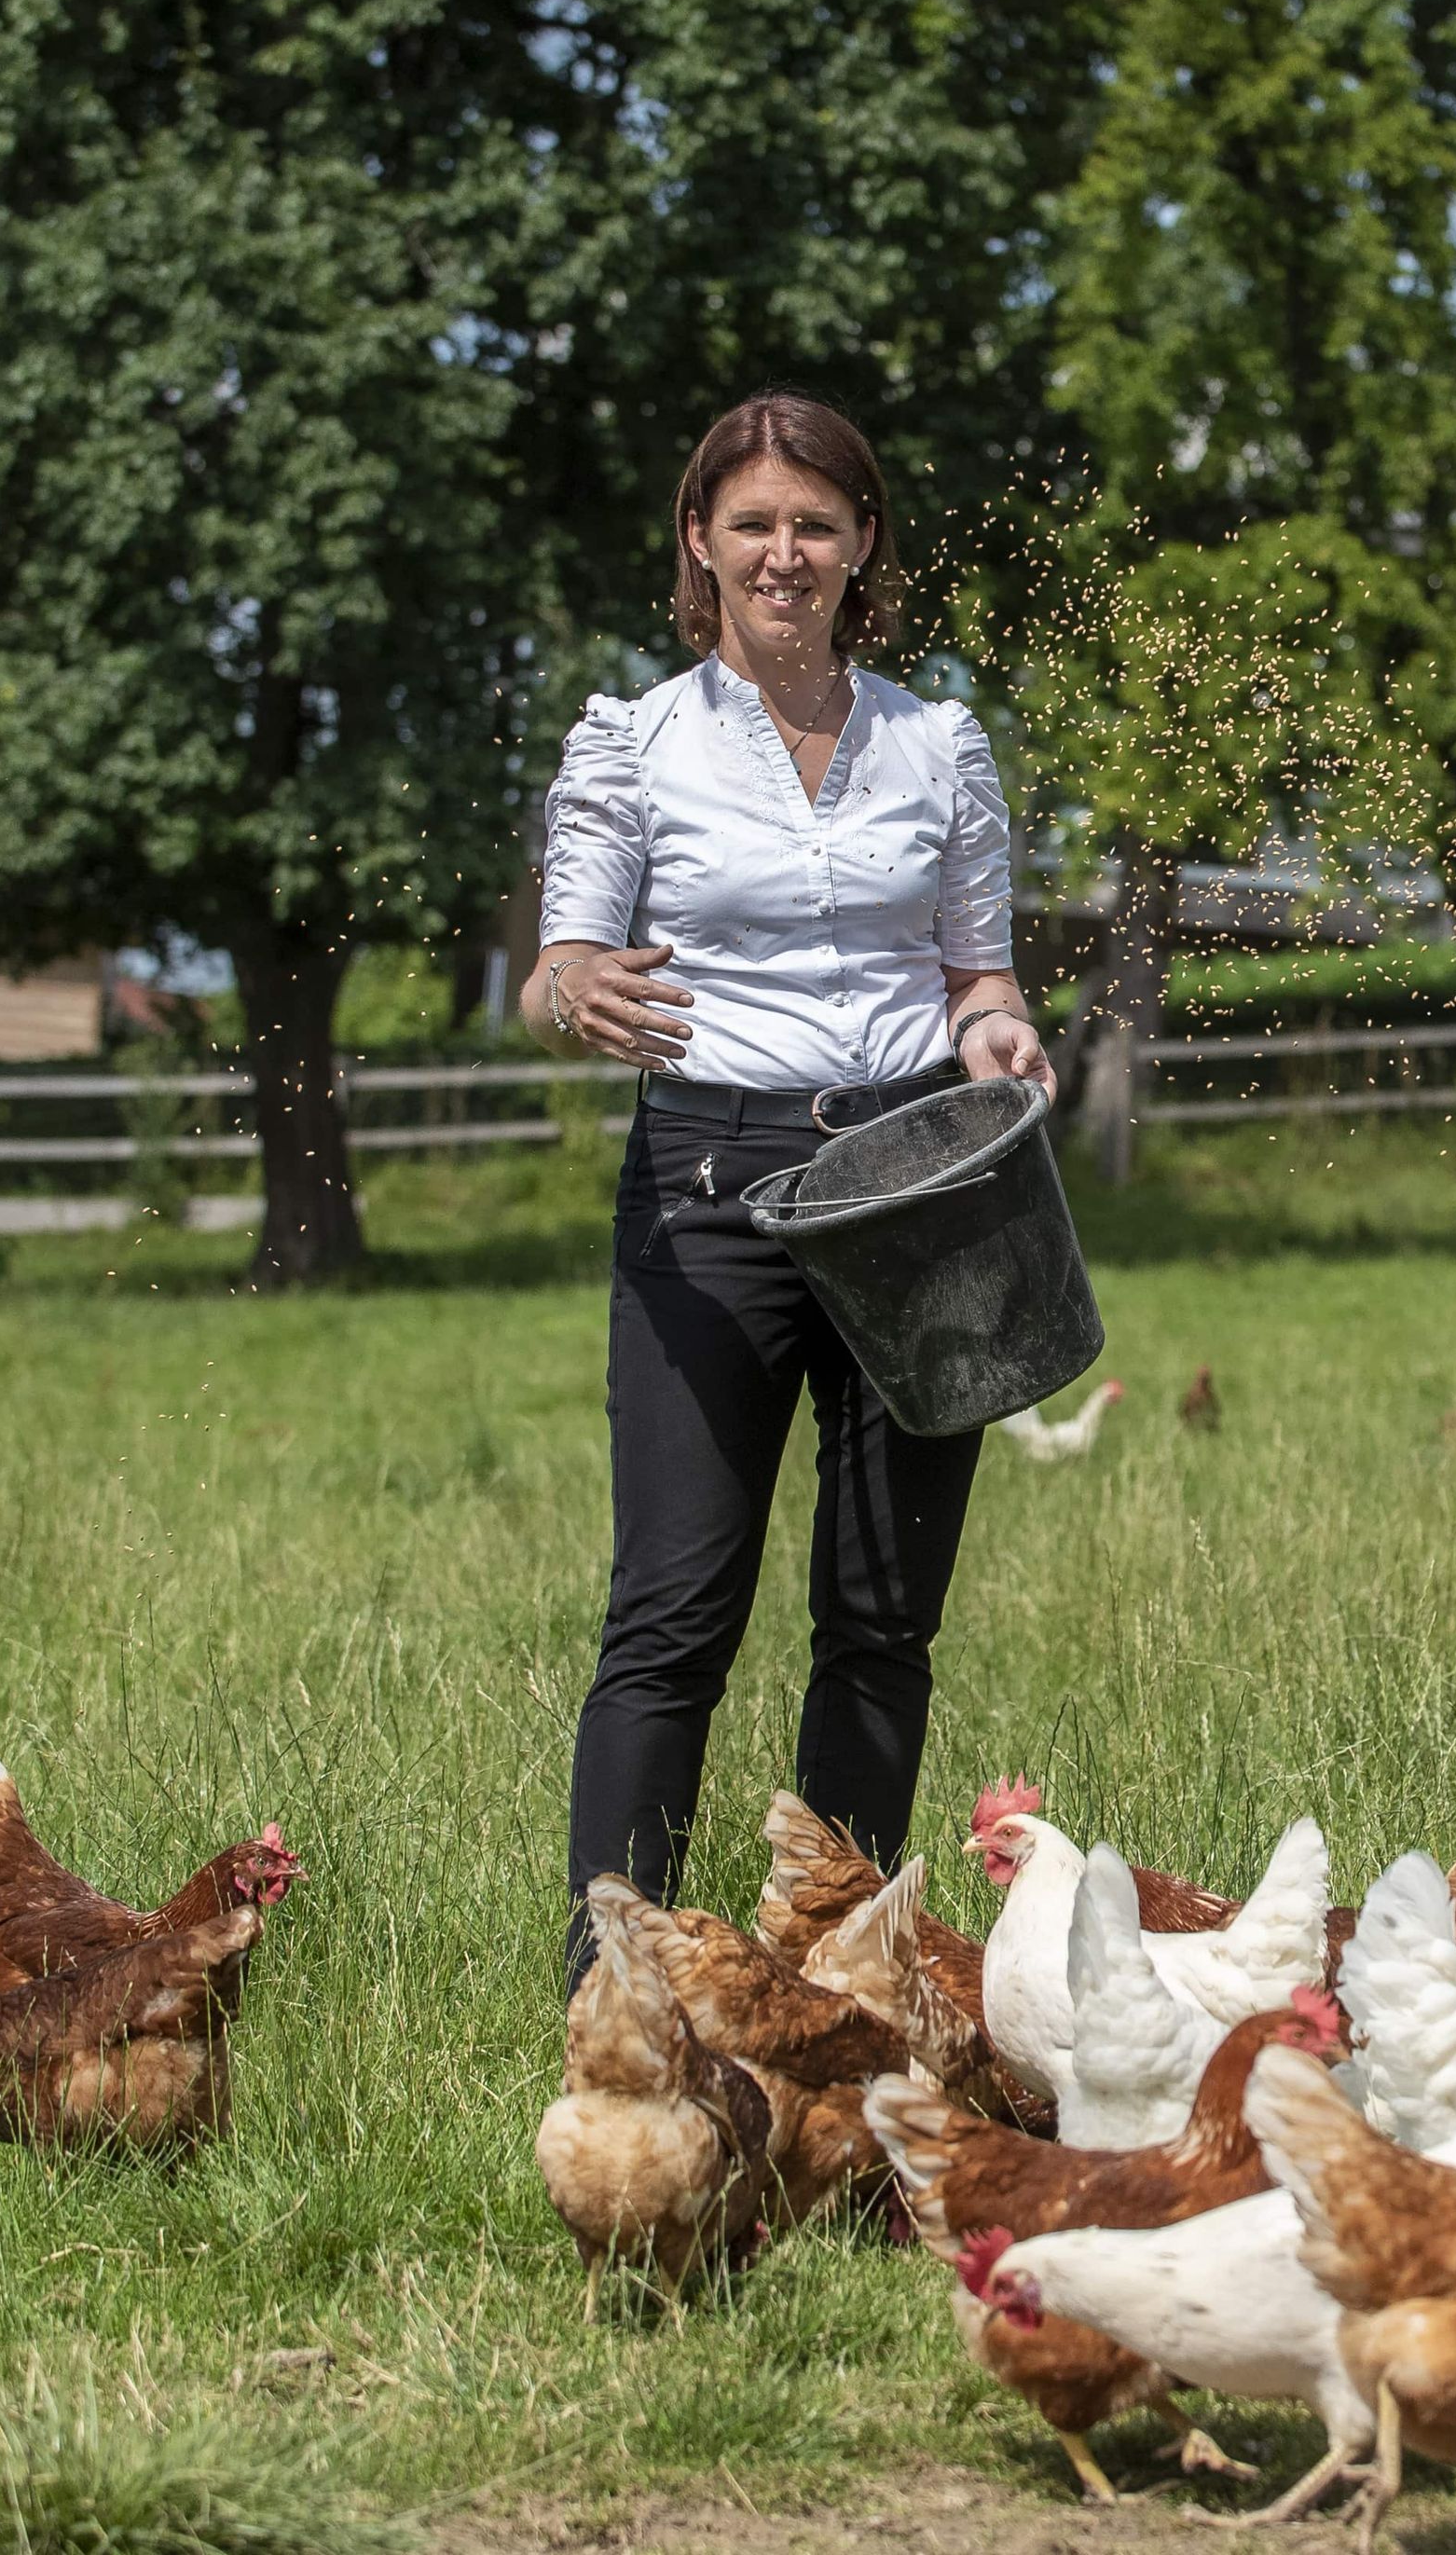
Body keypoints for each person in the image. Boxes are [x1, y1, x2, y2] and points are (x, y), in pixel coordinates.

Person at [526, 391, 1053, 1975]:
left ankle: (839, 1983)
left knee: (883, 1621)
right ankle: (613, 1988)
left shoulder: (936, 739)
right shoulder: (634, 742)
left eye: (815, 524)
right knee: (673, 1619)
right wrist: (577, 1000)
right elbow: (555, 971)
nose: (784, 552)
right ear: (701, 542)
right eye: (751, 523)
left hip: (915, 1181)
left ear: (862, 542)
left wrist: (1003, 1029)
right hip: (710, 1184)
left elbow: (977, 976)